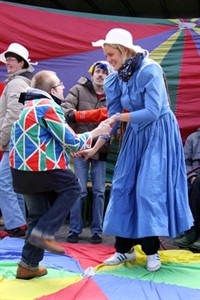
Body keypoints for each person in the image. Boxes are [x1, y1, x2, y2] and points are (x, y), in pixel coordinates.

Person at [79, 28, 194, 272]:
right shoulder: (115, 78)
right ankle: (124, 251)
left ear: (123, 49)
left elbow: (153, 111)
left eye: (110, 53)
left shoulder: (149, 69)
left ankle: (152, 252)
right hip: (135, 135)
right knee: (122, 187)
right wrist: (93, 148)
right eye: (106, 54)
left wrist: (120, 117)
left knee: (147, 190)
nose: (108, 59)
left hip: (158, 134)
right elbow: (112, 119)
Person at [9, 70, 111, 279]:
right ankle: (44, 235)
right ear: (52, 90)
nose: (64, 86)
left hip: (20, 172)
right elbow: (71, 139)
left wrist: (68, 147)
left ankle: (27, 265)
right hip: (37, 169)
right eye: (61, 83)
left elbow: (44, 138)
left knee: (37, 217)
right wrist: (96, 132)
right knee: (74, 186)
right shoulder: (48, 106)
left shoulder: (27, 107)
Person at [62, 61, 111, 244]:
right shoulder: (78, 89)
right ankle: (74, 230)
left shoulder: (113, 95)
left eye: (105, 73)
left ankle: (97, 232)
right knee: (79, 190)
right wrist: (72, 143)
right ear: (92, 73)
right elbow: (65, 111)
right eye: (98, 71)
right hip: (79, 149)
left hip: (101, 150)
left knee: (99, 191)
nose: (101, 75)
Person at [0, 43, 35, 238]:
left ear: (22, 62)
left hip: (13, 139)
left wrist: (3, 139)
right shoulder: (23, 81)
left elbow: (14, 114)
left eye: (12, 60)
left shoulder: (16, 83)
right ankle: (19, 224)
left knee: (3, 181)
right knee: (14, 184)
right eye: (7, 59)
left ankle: (16, 224)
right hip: (20, 139)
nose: (8, 63)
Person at [174, 127, 200, 250]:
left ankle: (195, 232)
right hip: (195, 176)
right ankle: (192, 231)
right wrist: (192, 176)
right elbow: (184, 162)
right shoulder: (193, 138)